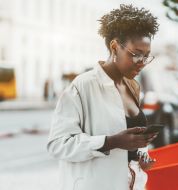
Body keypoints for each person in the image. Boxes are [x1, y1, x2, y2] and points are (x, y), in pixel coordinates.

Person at [47, 4, 159, 190]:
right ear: (114, 47)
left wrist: (140, 157)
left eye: (147, 56)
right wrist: (111, 141)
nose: (142, 63)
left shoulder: (132, 86)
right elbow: (57, 145)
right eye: (137, 55)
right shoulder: (82, 86)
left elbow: (129, 141)